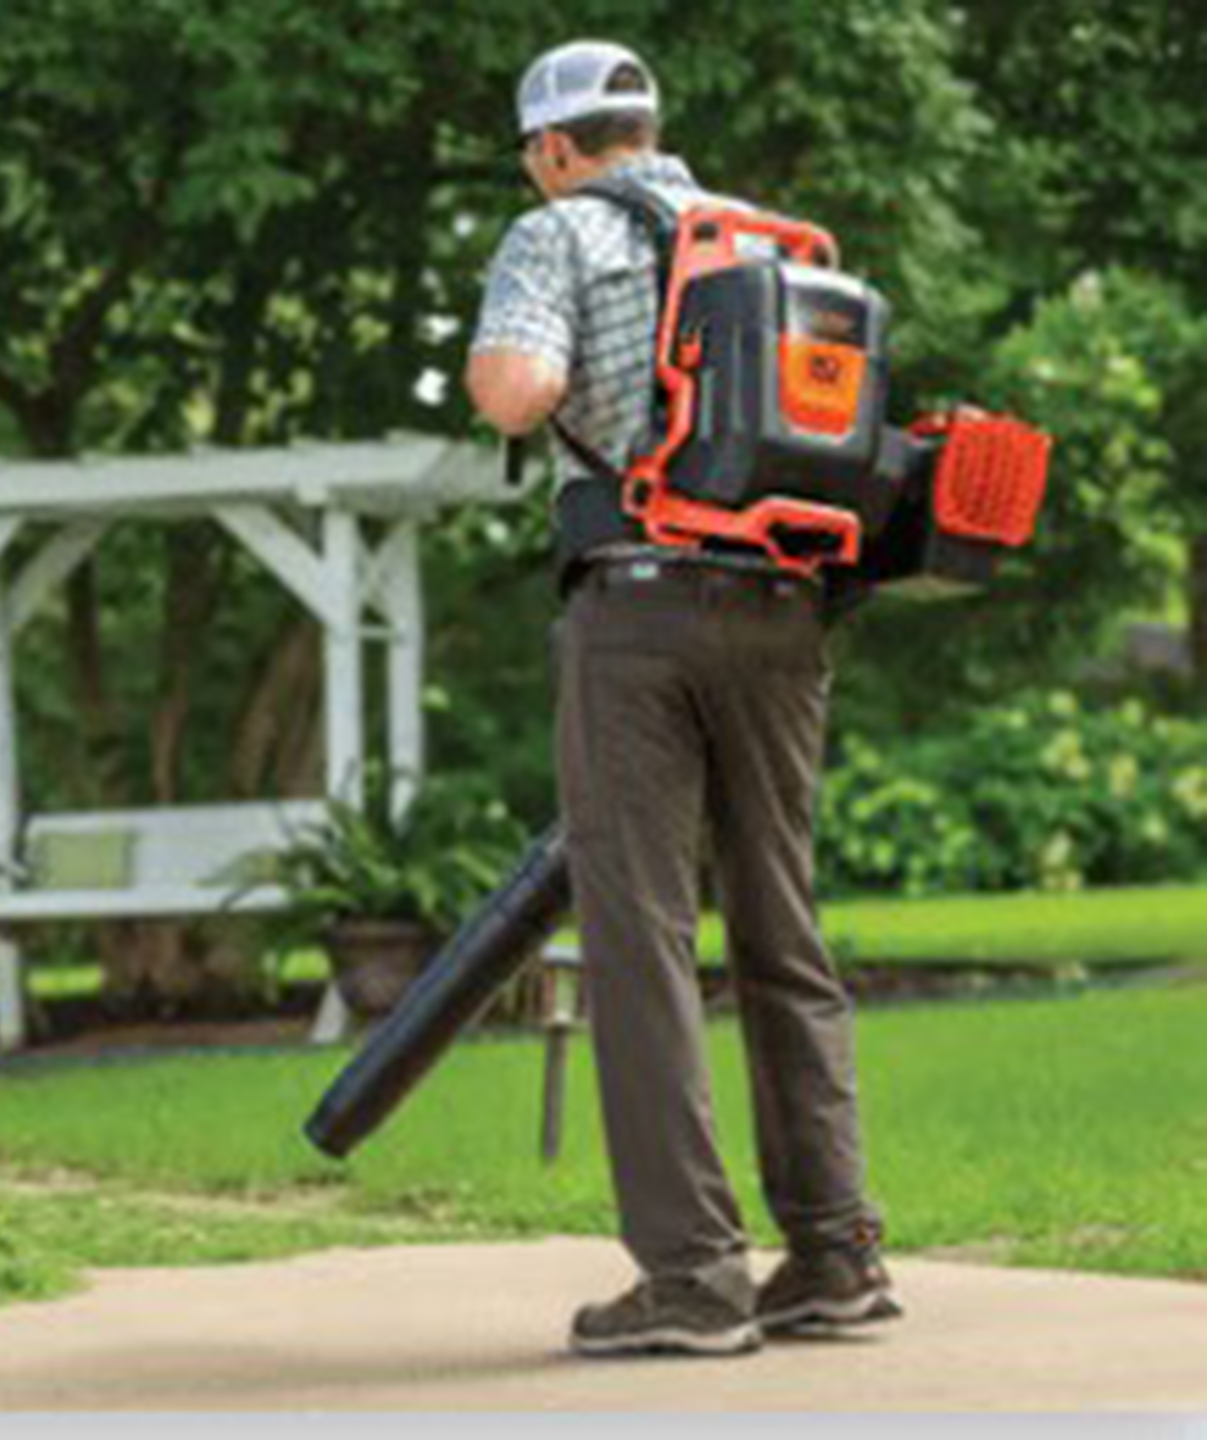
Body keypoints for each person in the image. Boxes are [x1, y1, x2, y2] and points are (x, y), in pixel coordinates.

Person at [465, 39, 900, 1358]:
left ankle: (695, 1277)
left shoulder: (557, 235)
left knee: (643, 936)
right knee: (783, 925)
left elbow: (517, 391)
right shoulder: (774, 245)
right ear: (649, 129)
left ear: (554, 149)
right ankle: (833, 1255)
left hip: (640, 609)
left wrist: (502, 373)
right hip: (784, 612)